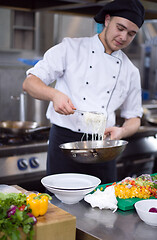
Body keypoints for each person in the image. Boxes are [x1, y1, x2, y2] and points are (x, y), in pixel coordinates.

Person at [23, 0, 145, 184]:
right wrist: (54, 95)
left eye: (131, 34)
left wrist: (121, 131)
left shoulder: (130, 70)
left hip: (104, 147)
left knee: (104, 205)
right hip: (65, 144)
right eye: (120, 27)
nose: (123, 37)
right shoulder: (70, 49)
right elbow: (30, 83)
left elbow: (134, 118)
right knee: (62, 207)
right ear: (107, 20)